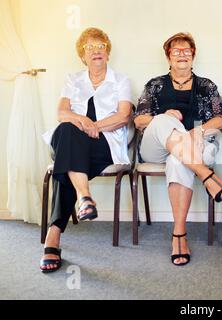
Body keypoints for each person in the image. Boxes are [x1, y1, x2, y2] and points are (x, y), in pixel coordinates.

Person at [134, 32, 222, 266]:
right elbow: (139, 120)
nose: (181, 54)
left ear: (193, 55)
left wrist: (198, 131)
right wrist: (163, 117)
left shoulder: (206, 86)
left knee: (178, 161)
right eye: (175, 51)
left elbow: (221, 120)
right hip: (156, 149)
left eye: (186, 50)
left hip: (198, 145)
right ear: (168, 57)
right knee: (161, 121)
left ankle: (179, 234)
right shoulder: (155, 85)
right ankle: (207, 176)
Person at [39, 27, 133, 273]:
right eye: (90, 48)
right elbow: (62, 113)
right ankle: (84, 197)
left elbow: (123, 116)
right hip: (71, 141)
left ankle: (53, 237)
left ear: (108, 53)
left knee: (67, 161)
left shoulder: (120, 80)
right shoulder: (73, 79)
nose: (96, 51)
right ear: (82, 55)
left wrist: (93, 126)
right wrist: (83, 123)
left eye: (100, 46)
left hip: (104, 145)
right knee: (66, 131)